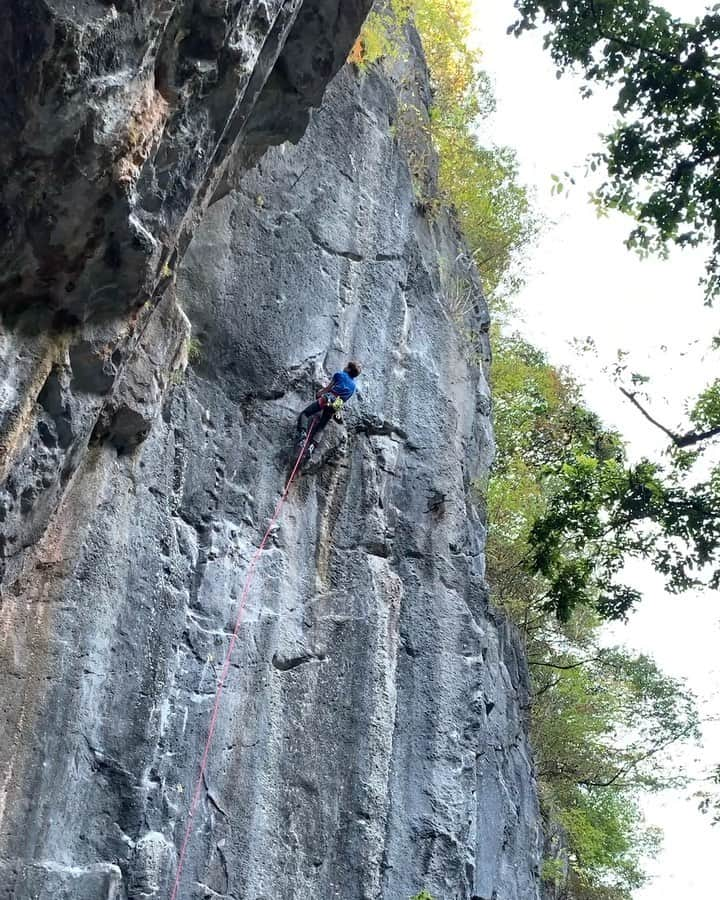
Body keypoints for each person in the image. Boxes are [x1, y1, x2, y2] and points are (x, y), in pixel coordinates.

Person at [296, 361, 362, 454]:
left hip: (329, 398)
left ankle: (302, 435)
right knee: (321, 426)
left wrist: (319, 393)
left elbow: (328, 388)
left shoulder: (339, 374)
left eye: (347, 366)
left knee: (305, 414)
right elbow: (345, 399)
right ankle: (312, 446)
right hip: (337, 404)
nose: (345, 366)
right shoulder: (353, 386)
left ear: (349, 369)